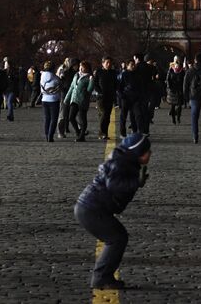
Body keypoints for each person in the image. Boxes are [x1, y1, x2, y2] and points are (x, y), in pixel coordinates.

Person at [74, 132, 150, 291]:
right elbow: (114, 185)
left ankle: (103, 277)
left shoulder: (125, 161)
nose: (149, 154)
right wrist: (136, 182)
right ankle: (101, 278)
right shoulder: (121, 163)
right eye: (146, 151)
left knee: (118, 237)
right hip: (91, 209)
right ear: (137, 152)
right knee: (116, 238)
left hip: (92, 207)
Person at [65, 61, 94, 142]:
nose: (81, 68)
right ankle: (78, 132)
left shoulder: (89, 77)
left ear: (87, 68)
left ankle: (82, 136)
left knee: (82, 119)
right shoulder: (76, 75)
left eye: (83, 67)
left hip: (83, 100)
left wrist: (92, 81)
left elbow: (90, 90)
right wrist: (67, 99)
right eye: (80, 66)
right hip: (74, 99)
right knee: (71, 117)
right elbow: (71, 87)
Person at [94, 58, 117, 140]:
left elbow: (116, 84)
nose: (109, 64)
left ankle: (105, 133)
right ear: (103, 63)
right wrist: (99, 92)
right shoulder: (99, 72)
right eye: (107, 63)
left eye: (110, 63)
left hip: (110, 97)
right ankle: (101, 132)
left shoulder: (113, 72)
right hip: (101, 97)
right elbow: (95, 83)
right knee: (104, 113)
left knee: (107, 116)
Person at [39, 61, 62, 142]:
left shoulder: (42, 76)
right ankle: (50, 136)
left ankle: (46, 135)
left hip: (44, 99)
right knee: (53, 119)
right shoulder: (56, 78)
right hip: (54, 99)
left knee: (47, 118)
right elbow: (60, 86)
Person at [165, 57, 186, 125]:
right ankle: (173, 119)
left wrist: (183, 89)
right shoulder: (171, 70)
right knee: (173, 106)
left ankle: (178, 118)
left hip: (179, 91)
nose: (177, 66)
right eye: (176, 65)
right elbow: (168, 80)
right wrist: (169, 87)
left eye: (178, 65)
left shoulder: (182, 71)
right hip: (172, 91)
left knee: (179, 106)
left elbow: (184, 81)